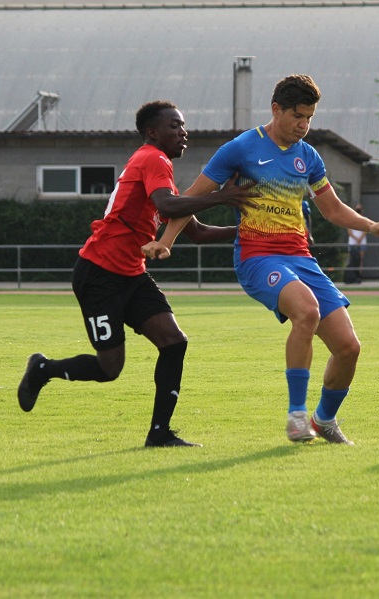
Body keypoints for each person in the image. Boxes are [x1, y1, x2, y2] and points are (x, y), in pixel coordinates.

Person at [159, 74, 379, 445]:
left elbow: (334, 210)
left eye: (309, 118)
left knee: (348, 348)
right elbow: (191, 198)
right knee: (306, 311)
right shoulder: (241, 148)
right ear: (276, 109)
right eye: (298, 116)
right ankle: (295, 416)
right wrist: (166, 241)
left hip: (299, 258)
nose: (304, 126)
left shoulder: (308, 157)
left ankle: (323, 419)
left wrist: (372, 225)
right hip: (258, 257)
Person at [16, 100, 258, 448]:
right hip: (99, 273)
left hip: (131, 274)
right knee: (109, 368)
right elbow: (168, 207)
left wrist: (255, 231)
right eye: (174, 125)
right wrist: (221, 196)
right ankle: (43, 369)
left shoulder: (158, 171)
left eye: (183, 125)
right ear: (152, 132)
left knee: (174, 342)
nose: (183, 132)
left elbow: (198, 232)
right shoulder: (152, 158)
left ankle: (159, 433)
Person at [344, 204, 367, 284]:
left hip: (361, 242)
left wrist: (359, 239)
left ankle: (358, 276)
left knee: (360, 260)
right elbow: (349, 231)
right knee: (352, 260)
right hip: (353, 242)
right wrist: (357, 239)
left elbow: (366, 230)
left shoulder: (364, 219)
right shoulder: (351, 219)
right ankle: (352, 276)